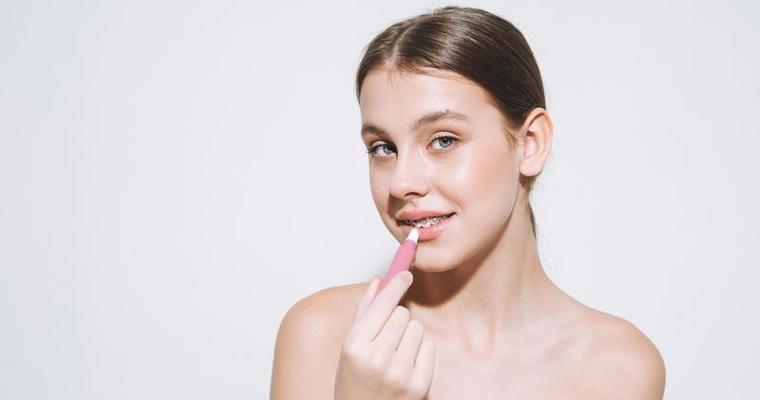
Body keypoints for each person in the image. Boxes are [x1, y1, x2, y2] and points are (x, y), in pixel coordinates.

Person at [270, 6, 665, 399]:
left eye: (443, 140)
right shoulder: (323, 337)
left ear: (531, 143)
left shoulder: (620, 369)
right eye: (383, 148)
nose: (402, 182)